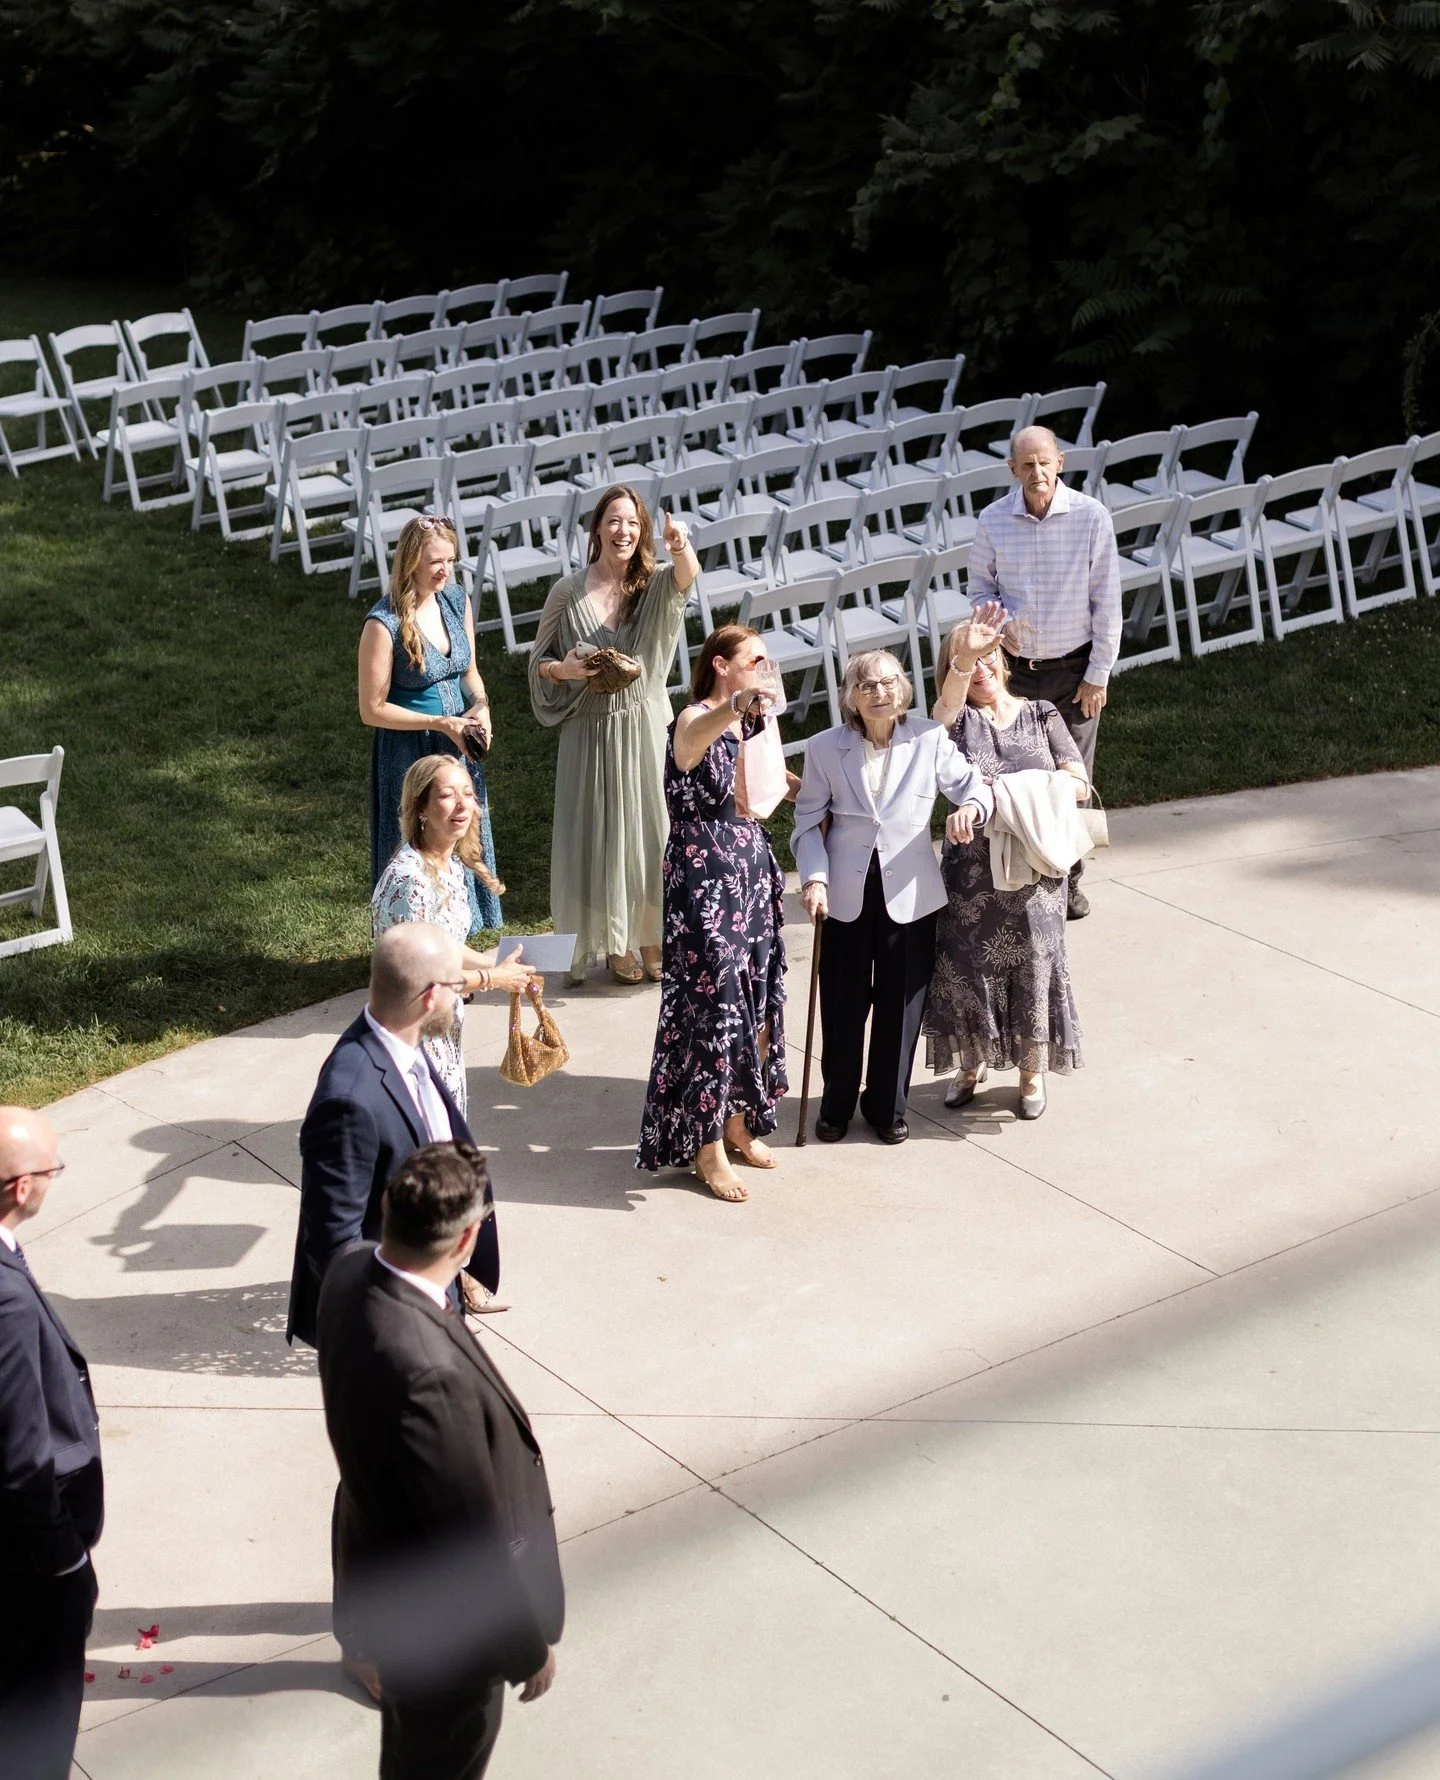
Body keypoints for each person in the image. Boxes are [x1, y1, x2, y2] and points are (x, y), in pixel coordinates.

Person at [286, 922, 504, 1700]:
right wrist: (389, 1329)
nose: (466, 990)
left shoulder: (405, 1050)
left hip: (430, 1298)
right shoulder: (350, 1093)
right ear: (427, 995)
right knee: (376, 1487)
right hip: (380, 1325)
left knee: (421, 1475)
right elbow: (332, 1242)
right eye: (459, 981)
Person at [317, 1144, 563, 1779]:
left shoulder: (346, 1273)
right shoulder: (429, 1375)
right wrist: (524, 1648)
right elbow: (466, 1537)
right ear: (466, 1240)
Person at [791, 651, 992, 1146]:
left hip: (910, 891)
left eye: (888, 683)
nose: (880, 693)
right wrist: (814, 878)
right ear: (851, 699)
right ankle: (836, 1103)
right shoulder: (823, 748)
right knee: (842, 1003)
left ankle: (886, 1105)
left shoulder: (928, 737)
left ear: (903, 689)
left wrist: (970, 807)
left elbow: (974, 786)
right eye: (867, 686)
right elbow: (806, 823)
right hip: (845, 890)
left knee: (901, 1008)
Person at [636, 626, 797, 1201]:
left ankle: (737, 1121)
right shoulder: (695, 717)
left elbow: (766, 785)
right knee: (713, 1008)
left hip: (751, 868)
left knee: (754, 1000)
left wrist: (821, 794)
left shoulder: (753, 721)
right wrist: (735, 706)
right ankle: (704, 1147)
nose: (765, 667)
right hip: (703, 878)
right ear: (722, 665)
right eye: (755, 659)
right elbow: (694, 742)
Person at [527, 487, 699, 984]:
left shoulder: (656, 584)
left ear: (642, 531)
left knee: (650, 834)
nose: (623, 531)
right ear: (597, 529)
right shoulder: (567, 590)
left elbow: (686, 579)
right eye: (613, 521)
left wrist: (680, 545)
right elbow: (538, 664)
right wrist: (567, 670)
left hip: (645, 725)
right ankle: (617, 942)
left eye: (632, 523)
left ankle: (653, 937)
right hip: (590, 732)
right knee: (601, 836)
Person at [924, 606, 1089, 1122]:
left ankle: (1031, 1070)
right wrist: (962, 657)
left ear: (1003, 659)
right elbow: (940, 715)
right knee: (968, 966)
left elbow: (1079, 782)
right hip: (971, 875)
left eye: (986, 657)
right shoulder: (955, 724)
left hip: (1034, 869)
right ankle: (971, 1067)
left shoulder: (1042, 714)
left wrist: (1013, 795)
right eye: (966, 661)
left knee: (1035, 966)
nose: (979, 669)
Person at [967, 424, 1121, 918]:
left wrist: (1098, 674)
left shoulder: (1092, 517)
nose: (1037, 472)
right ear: (1012, 469)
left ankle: (1069, 882)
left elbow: (1108, 603)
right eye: (1026, 464)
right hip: (1014, 671)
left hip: (1074, 671)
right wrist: (999, 623)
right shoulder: (993, 520)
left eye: (1044, 462)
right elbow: (979, 590)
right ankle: (1020, 875)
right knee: (1017, 774)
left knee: (1072, 778)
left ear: (1061, 462)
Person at [0, 1107, 103, 1780]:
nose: (52, 1180)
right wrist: (65, 1562)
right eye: (50, 1169)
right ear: (19, 1188)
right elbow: (19, 1455)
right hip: (27, 1568)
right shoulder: (4, 1302)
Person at [359, 513, 504, 935]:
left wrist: (481, 706)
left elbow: (469, 671)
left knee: (460, 830)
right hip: (410, 752)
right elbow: (371, 709)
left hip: (458, 745)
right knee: (421, 845)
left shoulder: (456, 601)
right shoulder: (382, 623)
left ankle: (461, 943)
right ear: (410, 564)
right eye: (435, 562)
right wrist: (441, 722)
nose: (445, 570)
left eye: (451, 560)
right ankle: (416, 948)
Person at [372, 757, 537, 1119]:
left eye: (468, 793)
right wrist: (493, 979)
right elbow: (423, 983)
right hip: (411, 1042)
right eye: (447, 795)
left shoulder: (448, 867)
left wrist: (498, 963)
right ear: (421, 809)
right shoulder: (411, 882)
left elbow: (442, 947)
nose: (463, 804)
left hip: (441, 1034)